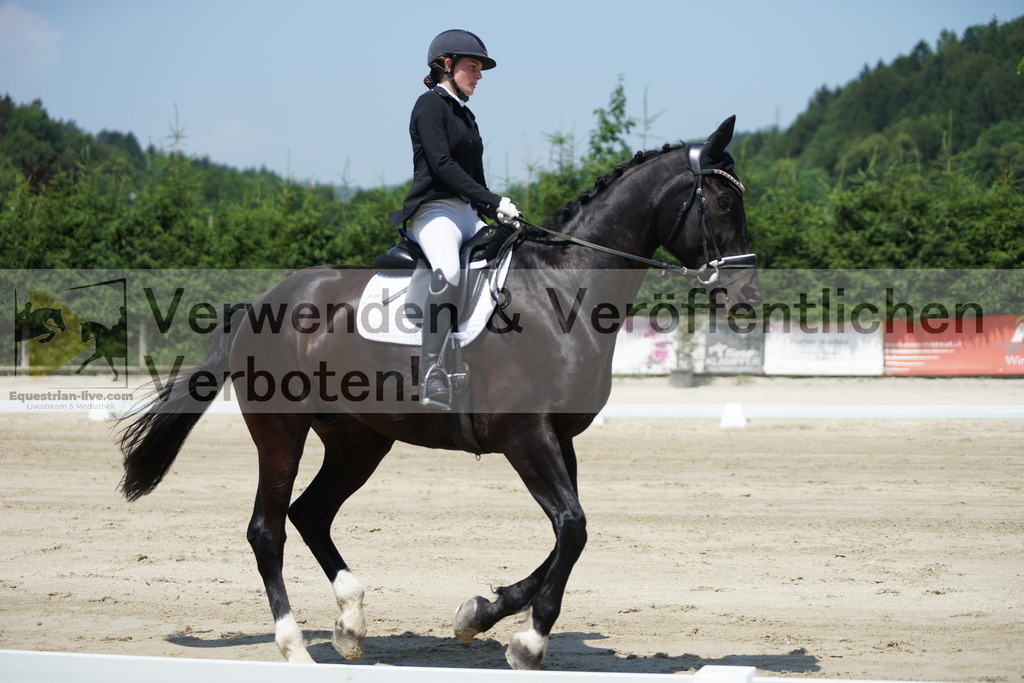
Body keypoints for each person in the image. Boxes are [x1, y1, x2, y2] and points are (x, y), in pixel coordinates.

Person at [388, 29, 520, 411]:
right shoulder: (429, 105)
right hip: (436, 212)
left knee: (510, 258)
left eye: (480, 69)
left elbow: (473, 175)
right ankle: (431, 374)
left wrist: (497, 211)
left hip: (467, 213)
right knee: (450, 270)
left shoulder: (467, 115)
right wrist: (492, 199)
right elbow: (442, 166)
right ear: (447, 66)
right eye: (473, 68)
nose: (479, 76)